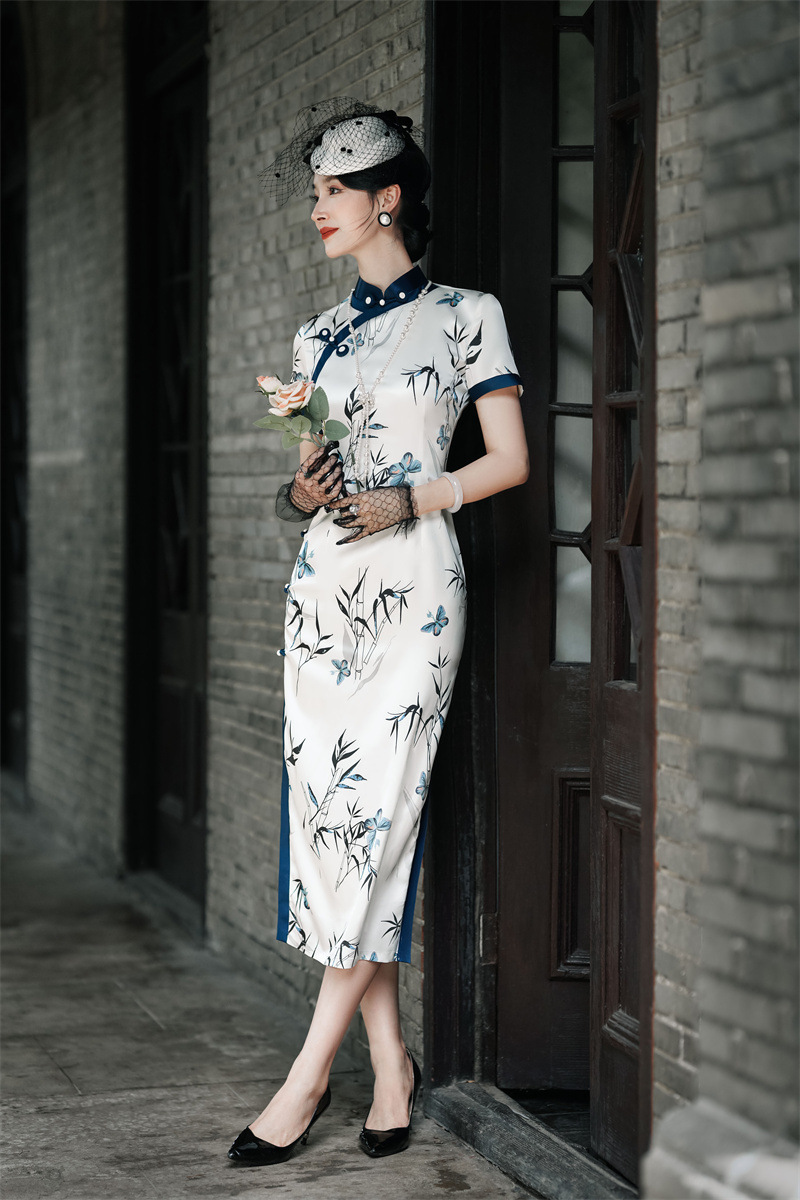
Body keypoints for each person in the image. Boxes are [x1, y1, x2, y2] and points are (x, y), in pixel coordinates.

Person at [228, 97, 529, 1168]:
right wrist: (301, 493)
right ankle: (391, 1065)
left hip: (415, 590)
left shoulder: (466, 315)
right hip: (325, 595)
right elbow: (303, 489)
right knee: (338, 824)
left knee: (380, 816)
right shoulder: (316, 336)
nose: (317, 208)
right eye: (315, 191)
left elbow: (509, 462)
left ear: (386, 196)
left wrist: (415, 498)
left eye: (334, 191)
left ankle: (308, 1076)